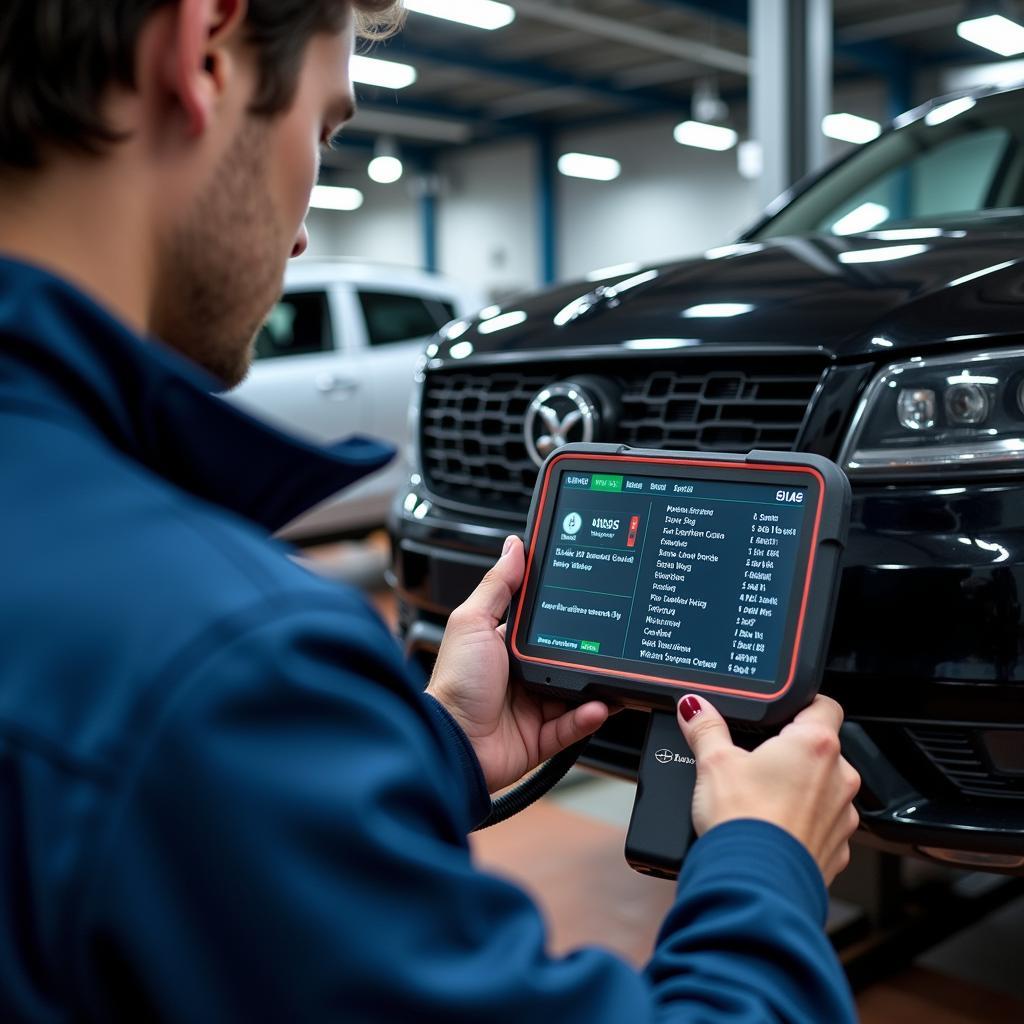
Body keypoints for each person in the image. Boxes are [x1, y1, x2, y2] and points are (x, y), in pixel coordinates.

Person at [0, 1, 861, 1021]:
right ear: (204, 52)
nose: (309, 220)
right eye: (322, 129)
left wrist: (431, 743)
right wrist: (763, 863)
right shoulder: (219, 661)